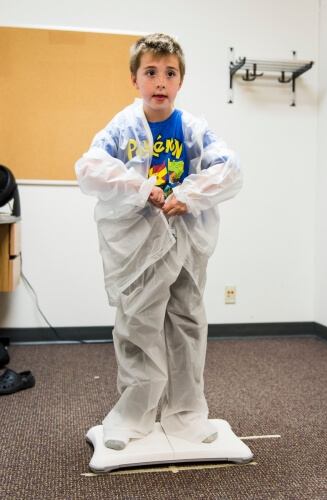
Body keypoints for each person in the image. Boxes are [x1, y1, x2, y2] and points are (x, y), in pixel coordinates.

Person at [75, 33, 243, 451]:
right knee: (137, 321)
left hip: (185, 242)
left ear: (180, 80)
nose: (160, 81)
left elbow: (229, 167)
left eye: (170, 73)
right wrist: (138, 187)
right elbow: (92, 165)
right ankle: (134, 415)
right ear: (135, 80)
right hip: (141, 244)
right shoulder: (124, 126)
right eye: (151, 72)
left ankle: (185, 413)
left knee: (186, 319)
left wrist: (189, 195)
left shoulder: (193, 128)